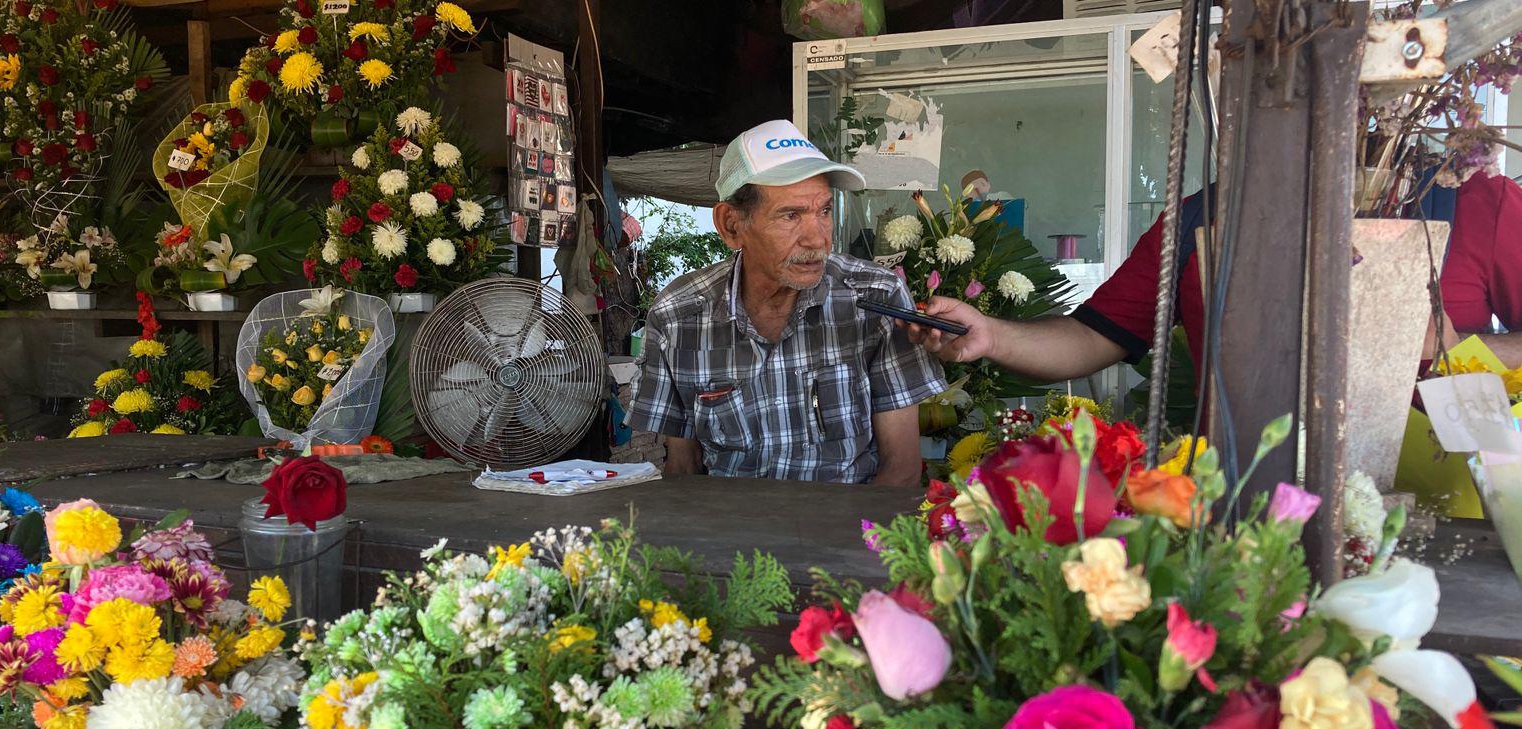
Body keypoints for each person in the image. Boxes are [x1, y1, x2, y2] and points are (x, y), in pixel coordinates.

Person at [908, 172, 1522, 372]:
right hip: (1244, 508)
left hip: (1438, 503)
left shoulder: (1471, 201)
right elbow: (1098, 335)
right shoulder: (1203, 218)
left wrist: (1462, 347)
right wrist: (991, 333)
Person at [626, 120, 947, 485]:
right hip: (730, 531)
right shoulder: (678, 317)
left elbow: (901, 469)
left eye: (824, 211)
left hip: (849, 531)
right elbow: (683, 470)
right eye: (791, 216)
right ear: (731, 225)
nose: (817, 240)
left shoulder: (875, 297)